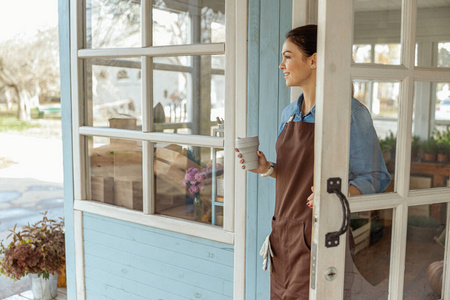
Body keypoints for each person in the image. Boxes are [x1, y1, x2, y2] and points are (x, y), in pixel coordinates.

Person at [235, 24, 391, 299]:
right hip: (282, 234)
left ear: (314, 60)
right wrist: (268, 169)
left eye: (288, 56)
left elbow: (377, 176)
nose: (281, 64)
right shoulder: (290, 113)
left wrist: (332, 196)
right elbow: (297, 175)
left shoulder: (350, 113)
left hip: (323, 235)